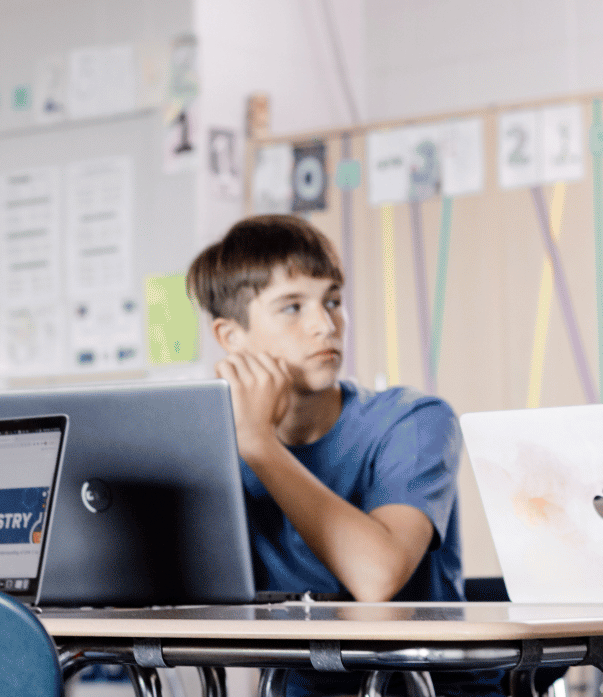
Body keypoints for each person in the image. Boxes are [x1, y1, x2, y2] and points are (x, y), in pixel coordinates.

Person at [187, 216, 471, 694]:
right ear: (231, 338)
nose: (326, 325)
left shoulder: (416, 421)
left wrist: (260, 445)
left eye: (333, 301)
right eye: (292, 307)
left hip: (423, 689)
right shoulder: (207, 444)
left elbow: (377, 578)